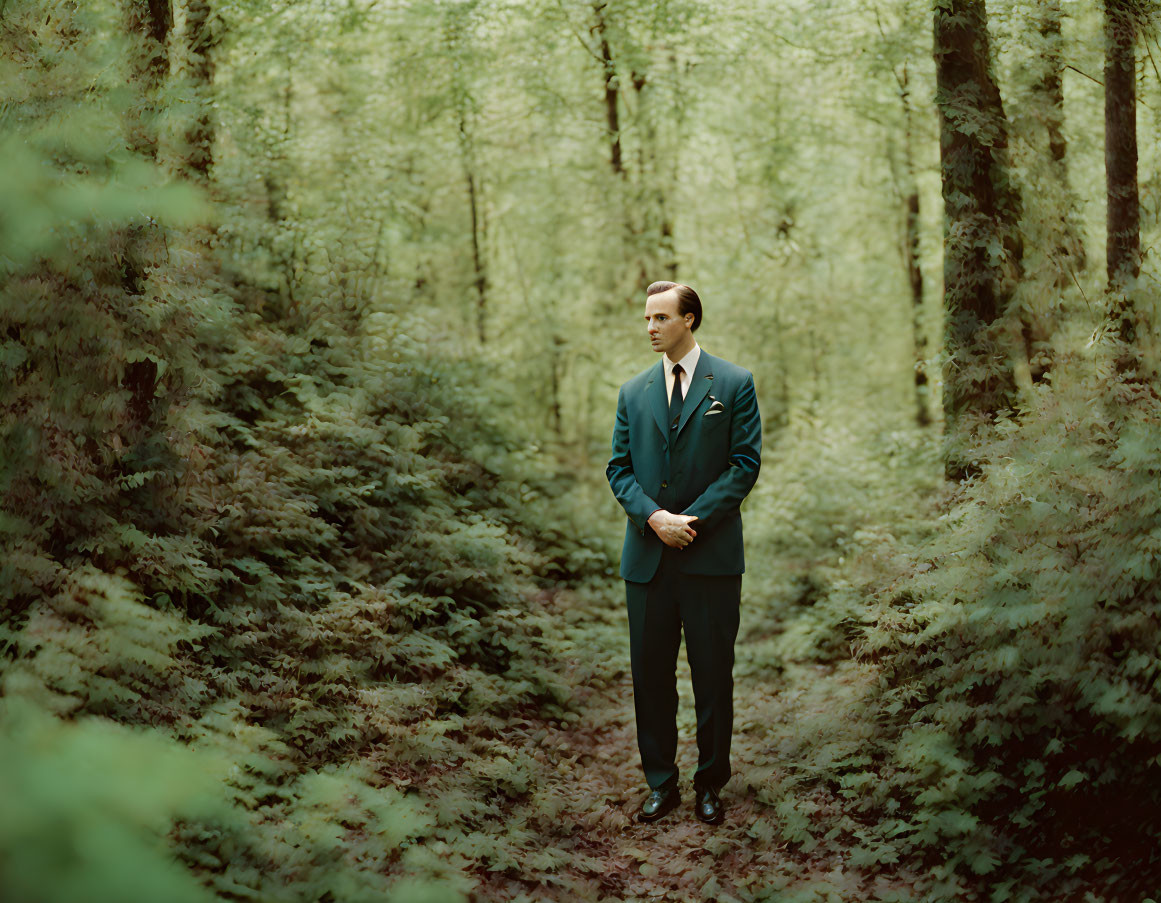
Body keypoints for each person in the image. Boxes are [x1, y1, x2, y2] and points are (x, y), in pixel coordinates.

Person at [606, 281, 761, 826]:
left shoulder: (735, 383)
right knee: (651, 676)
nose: (650, 327)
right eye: (647, 319)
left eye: (661, 318)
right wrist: (653, 518)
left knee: (713, 675)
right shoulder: (632, 392)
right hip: (647, 560)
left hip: (711, 558)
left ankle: (710, 784)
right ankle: (660, 782)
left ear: (689, 320)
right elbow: (619, 469)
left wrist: (687, 522)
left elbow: (744, 464)